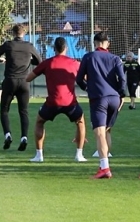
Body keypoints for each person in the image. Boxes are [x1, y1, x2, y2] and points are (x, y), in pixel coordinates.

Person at [25, 37, 86, 163]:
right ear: (66, 48)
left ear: (54, 49)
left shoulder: (47, 63)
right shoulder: (75, 63)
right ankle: (79, 155)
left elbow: (28, 78)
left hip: (52, 102)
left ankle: (39, 155)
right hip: (70, 103)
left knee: (39, 122)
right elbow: (87, 78)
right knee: (80, 122)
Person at [76, 31, 126, 179]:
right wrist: (121, 95)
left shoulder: (88, 57)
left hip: (99, 99)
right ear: (107, 43)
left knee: (99, 133)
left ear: (95, 43)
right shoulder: (115, 58)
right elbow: (122, 79)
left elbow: (79, 79)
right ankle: (103, 164)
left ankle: (105, 168)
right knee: (107, 131)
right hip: (114, 98)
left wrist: (87, 88)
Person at [0, 24, 42, 151]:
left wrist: (1, 59)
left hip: (10, 81)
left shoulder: (8, 45)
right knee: (23, 111)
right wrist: (28, 61)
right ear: (24, 33)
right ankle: (24, 137)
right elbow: (39, 61)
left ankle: (7, 134)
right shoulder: (29, 46)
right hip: (24, 82)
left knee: (4, 110)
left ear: (13, 33)